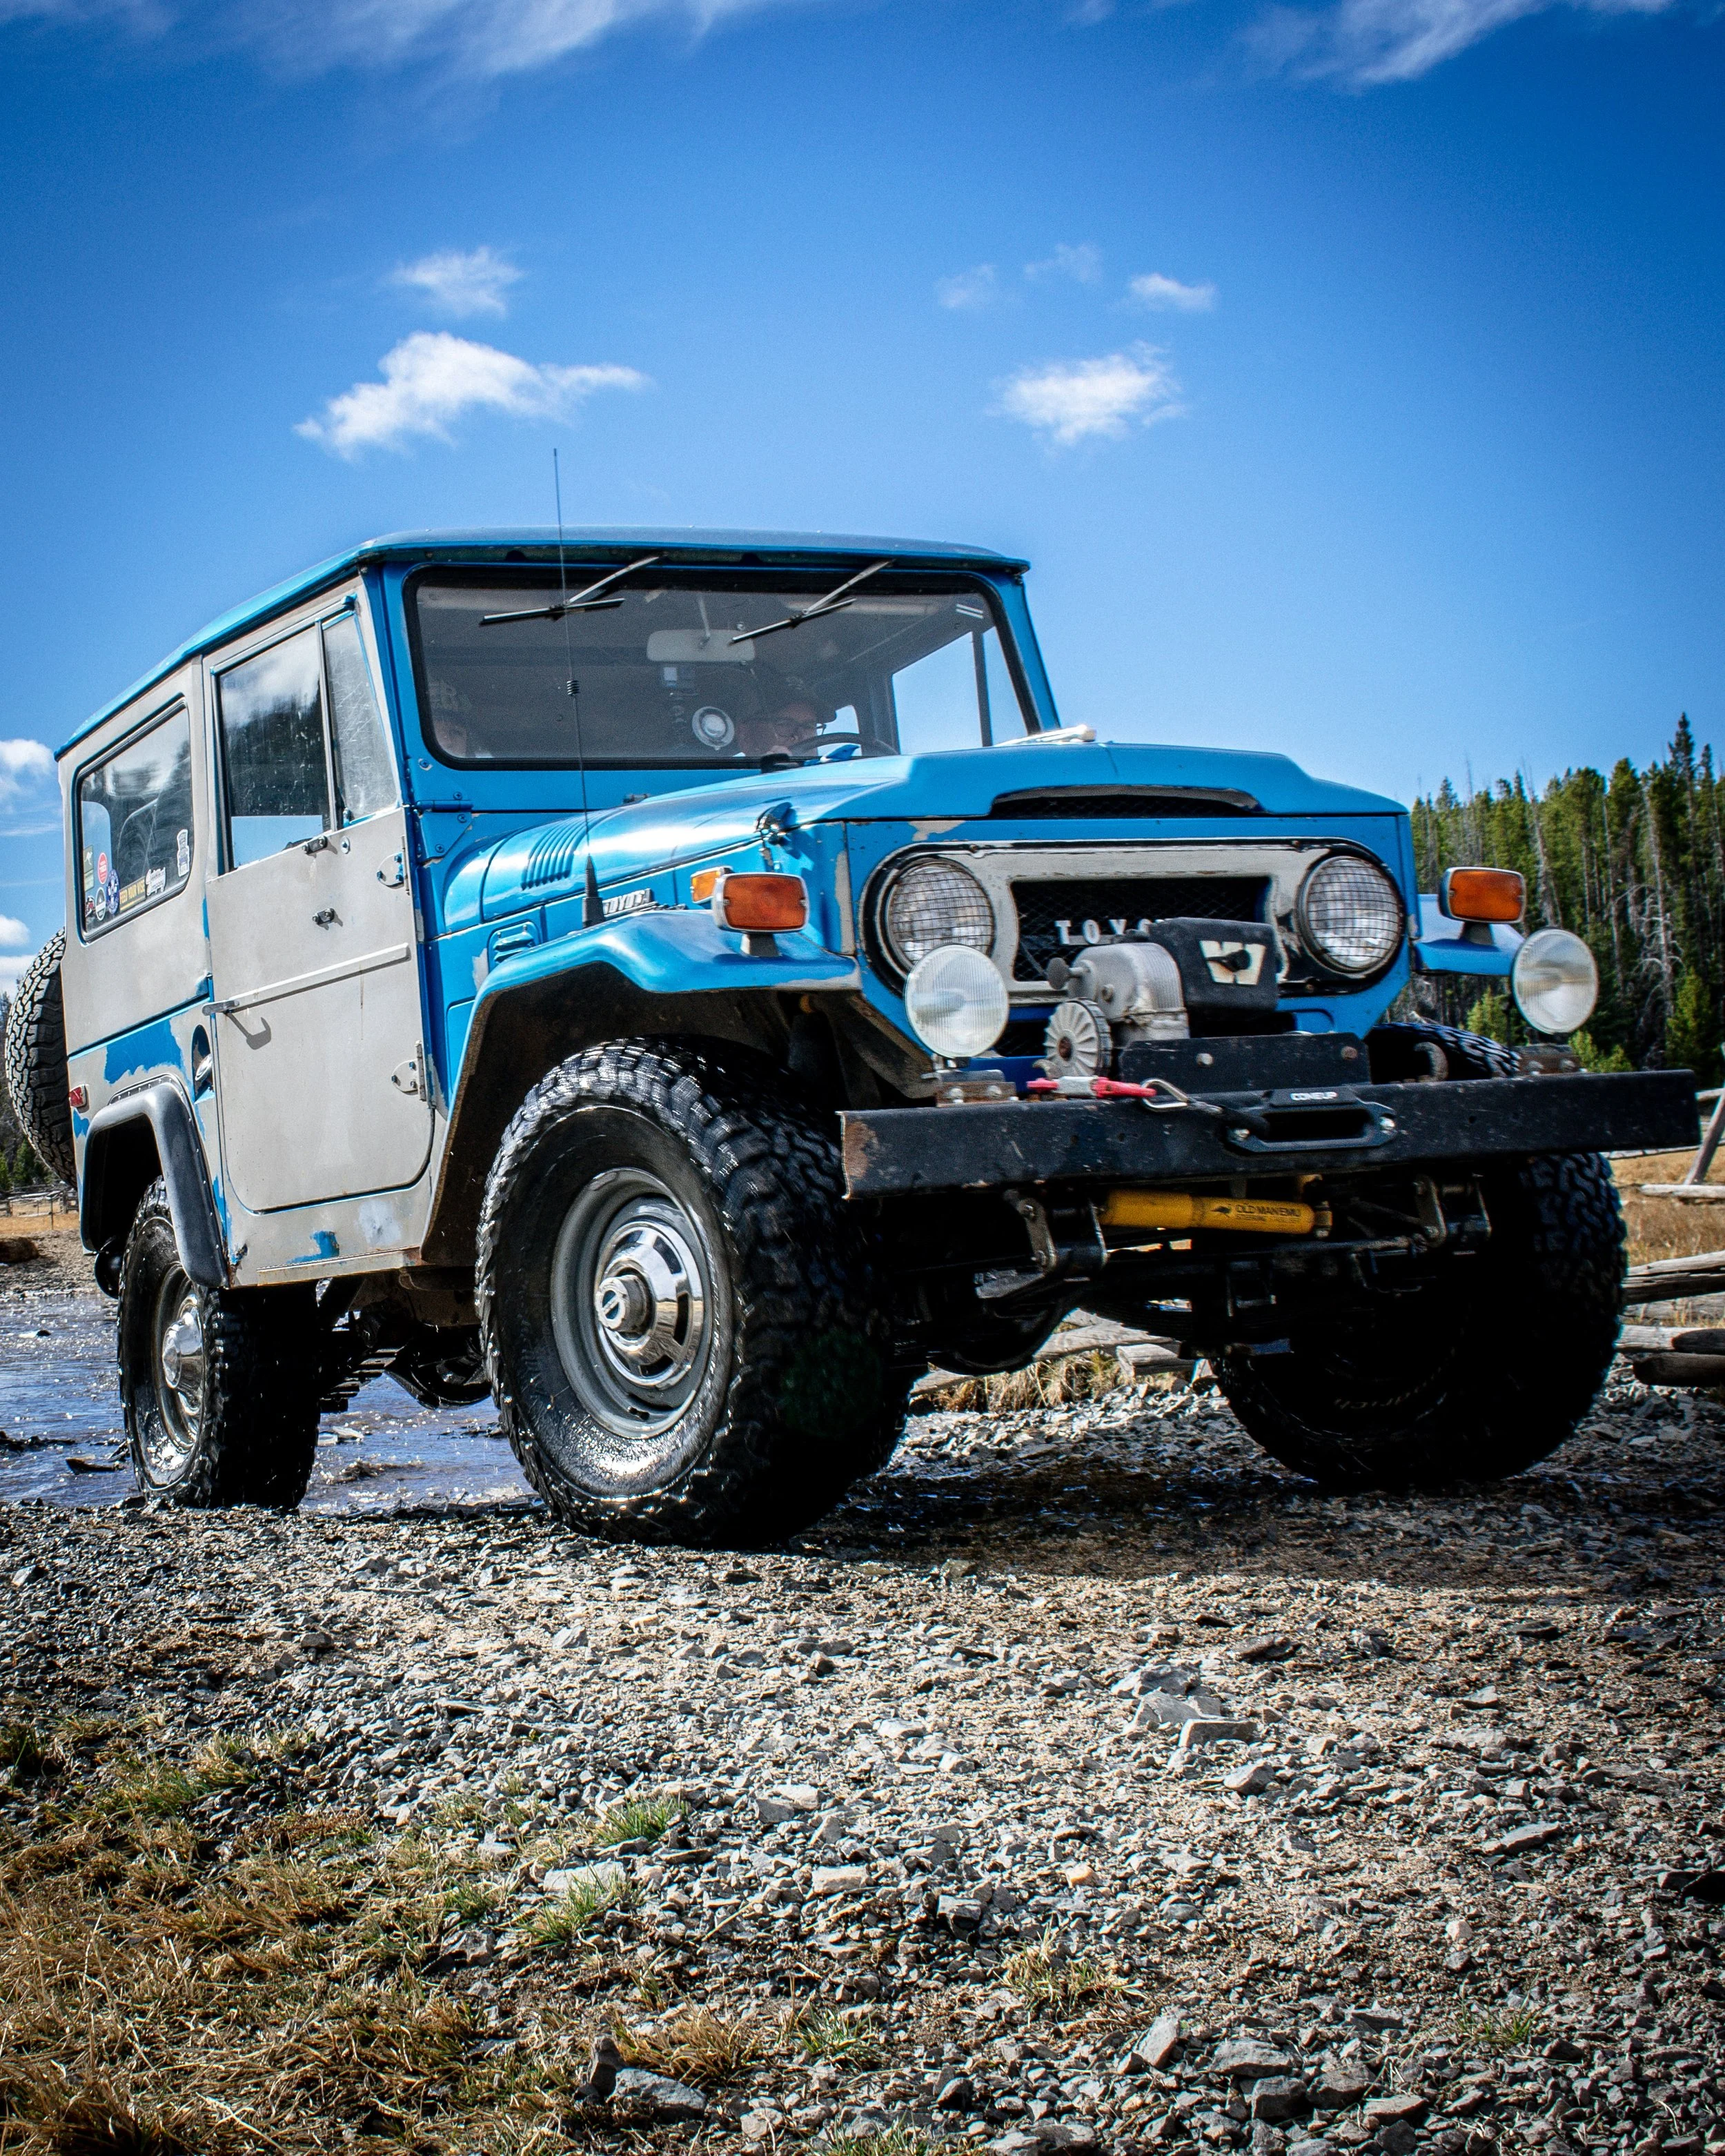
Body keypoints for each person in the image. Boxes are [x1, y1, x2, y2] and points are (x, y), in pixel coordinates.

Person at [736, 697, 826, 763]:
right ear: (745, 736)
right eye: (785, 724)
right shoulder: (737, 781)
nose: (803, 737)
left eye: (809, 727)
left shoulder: (831, 771)